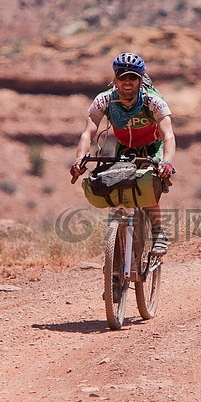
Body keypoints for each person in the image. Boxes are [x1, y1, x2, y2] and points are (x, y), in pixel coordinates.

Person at [70, 52, 176, 255]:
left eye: (133, 77)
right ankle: (116, 258)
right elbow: (88, 132)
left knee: (148, 185)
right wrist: (79, 159)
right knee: (115, 185)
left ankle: (158, 232)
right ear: (115, 79)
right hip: (125, 147)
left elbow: (168, 135)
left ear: (140, 79)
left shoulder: (152, 101)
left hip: (153, 146)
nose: (127, 82)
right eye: (122, 76)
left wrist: (166, 162)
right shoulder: (105, 100)